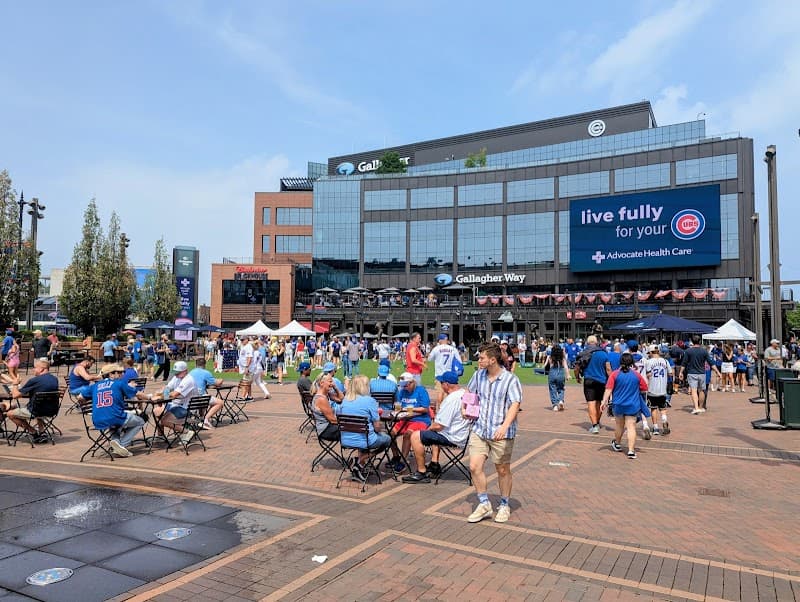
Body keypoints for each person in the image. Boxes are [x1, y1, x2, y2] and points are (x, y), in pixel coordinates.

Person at [466, 342, 523, 524]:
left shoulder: (510, 380)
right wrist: (465, 408)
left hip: (500, 431)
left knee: (502, 469)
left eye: (482, 357)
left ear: (492, 360)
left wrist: (505, 426)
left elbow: (515, 404)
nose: (479, 360)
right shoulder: (478, 375)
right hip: (480, 429)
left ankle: (504, 504)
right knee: (474, 466)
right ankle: (484, 503)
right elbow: (470, 393)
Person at [402, 370, 472, 484]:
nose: (440, 385)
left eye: (441, 383)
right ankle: (434, 463)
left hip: (452, 437)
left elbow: (439, 426)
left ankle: (421, 472)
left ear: (447, 384)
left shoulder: (451, 399)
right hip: (462, 434)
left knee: (415, 436)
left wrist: (427, 429)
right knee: (432, 434)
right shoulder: (464, 393)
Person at [87, 363, 153, 457]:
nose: (122, 374)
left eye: (122, 372)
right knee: (141, 421)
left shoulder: (95, 386)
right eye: (119, 372)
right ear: (111, 374)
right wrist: (150, 398)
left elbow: (80, 396)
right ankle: (122, 445)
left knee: (115, 427)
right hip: (116, 416)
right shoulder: (119, 383)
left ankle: (116, 443)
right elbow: (137, 394)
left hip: (97, 420)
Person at [335, 375, 391, 482]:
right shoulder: (369, 401)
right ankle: (361, 459)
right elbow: (377, 427)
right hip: (366, 440)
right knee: (388, 439)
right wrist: (381, 428)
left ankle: (360, 466)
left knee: (364, 435)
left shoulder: (345, 400)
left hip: (346, 440)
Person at [0, 359, 59, 443]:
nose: (33, 369)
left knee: (10, 414)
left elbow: (15, 395)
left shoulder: (35, 380)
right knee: (39, 406)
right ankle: (42, 432)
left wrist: (15, 384)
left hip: (36, 411)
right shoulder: (54, 379)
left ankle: (34, 432)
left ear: (41, 369)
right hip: (52, 410)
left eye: (35, 368)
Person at [602, 353, 649, 459]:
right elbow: (644, 388)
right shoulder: (636, 375)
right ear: (632, 362)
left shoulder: (614, 374)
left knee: (619, 425)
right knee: (631, 426)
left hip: (618, 404)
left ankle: (617, 444)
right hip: (632, 404)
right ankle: (631, 451)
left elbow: (608, 389)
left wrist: (604, 401)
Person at [387, 372, 432, 472]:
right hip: (404, 418)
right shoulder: (402, 391)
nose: (404, 388)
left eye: (406, 385)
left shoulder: (421, 391)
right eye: (403, 386)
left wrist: (410, 409)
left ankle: (403, 461)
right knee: (390, 433)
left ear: (412, 382)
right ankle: (396, 456)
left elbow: (425, 409)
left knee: (408, 434)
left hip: (420, 419)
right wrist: (397, 410)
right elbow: (398, 405)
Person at [154, 360, 198, 443]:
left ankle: (187, 432)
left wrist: (160, 396)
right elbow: (167, 387)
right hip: (176, 404)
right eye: (175, 372)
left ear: (185, 371)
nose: (176, 374)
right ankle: (161, 436)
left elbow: (174, 394)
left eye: (178, 372)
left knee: (164, 421)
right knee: (157, 411)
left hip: (186, 408)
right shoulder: (176, 377)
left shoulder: (188, 380)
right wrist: (161, 392)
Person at [576, 335, 611, 434]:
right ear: (596, 342)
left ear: (587, 342)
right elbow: (608, 369)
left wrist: (577, 377)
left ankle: (594, 426)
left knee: (591, 403)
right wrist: (611, 380)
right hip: (601, 381)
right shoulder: (603, 353)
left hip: (589, 380)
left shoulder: (583, 353)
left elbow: (576, 367)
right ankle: (597, 422)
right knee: (599, 402)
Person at [189, 357, 226, 429]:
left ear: (195, 365)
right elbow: (217, 383)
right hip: (199, 397)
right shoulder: (206, 373)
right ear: (204, 365)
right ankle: (206, 420)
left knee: (207, 397)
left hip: (190, 398)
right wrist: (221, 379)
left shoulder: (190, 372)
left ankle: (202, 418)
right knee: (220, 402)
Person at [644, 345, 672, 436]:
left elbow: (648, 375)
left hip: (652, 389)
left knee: (653, 409)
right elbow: (670, 373)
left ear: (651, 352)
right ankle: (664, 421)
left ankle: (655, 428)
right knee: (663, 408)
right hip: (662, 389)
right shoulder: (665, 361)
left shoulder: (648, 362)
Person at [681, 335, 712, 414]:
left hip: (692, 373)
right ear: (700, 341)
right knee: (702, 390)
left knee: (694, 391)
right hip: (702, 373)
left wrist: (681, 372)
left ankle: (696, 407)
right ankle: (701, 407)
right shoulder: (704, 351)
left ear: (692, 341)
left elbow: (684, 363)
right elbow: (710, 362)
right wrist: (718, 372)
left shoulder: (688, 351)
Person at [428, 333, 459, 410]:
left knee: (440, 392)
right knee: (449, 392)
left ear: (440, 340)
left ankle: (439, 409)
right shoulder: (453, 349)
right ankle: (448, 409)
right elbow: (459, 360)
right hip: (450, 374)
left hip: (439, 374)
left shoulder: (436, 348)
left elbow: (429, 359)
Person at [311, 372, 339, 442]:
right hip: (326, 430)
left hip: (325, 428)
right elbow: (333, 420)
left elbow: (341, 399)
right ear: (321, 383)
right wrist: (347, 424)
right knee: (353, 430)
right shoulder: (321, 399)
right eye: (330, 381)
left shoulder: (324, 395)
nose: (332, 384)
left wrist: (336, 388)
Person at [546, 344, 570, 411]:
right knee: (561, 388)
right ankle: (561, 400)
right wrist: (568, 375)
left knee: (552, 389)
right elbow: (566, 367)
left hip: (552, 373)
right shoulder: (562, 358)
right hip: (560, 373)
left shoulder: (550, 357)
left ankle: (555, 405)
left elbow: (550, 366)